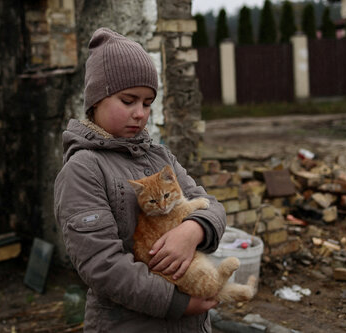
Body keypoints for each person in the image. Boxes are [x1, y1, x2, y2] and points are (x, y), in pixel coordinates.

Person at [53, 27, 227, 332]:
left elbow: (211, 205)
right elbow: (102, 264)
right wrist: (177, 303)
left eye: (147, 103)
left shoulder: (160, 157)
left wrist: (193, 229)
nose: (140, 114)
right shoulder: (83, 170)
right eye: (128, 100)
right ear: (96, 100)